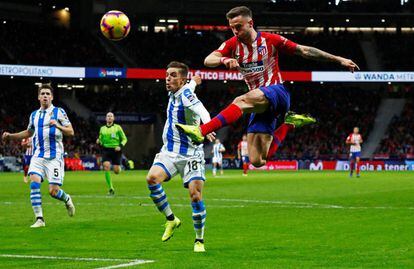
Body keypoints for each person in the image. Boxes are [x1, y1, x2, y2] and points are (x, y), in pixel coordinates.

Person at [176, 6, 359, 168]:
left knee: (240, 100)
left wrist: (339, 59)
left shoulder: (271, 40)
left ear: (250, 23)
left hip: (277, 91)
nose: (235, 31)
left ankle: (201, 131)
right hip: (259, 102)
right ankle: (289, 124)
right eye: (232, 27)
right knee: (257, 160)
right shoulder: (233, 45)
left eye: (238, 26)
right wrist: (225, 59)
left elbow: (305, 51)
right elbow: (208, 60)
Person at [146, 61, 214, 253]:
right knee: (152, 179)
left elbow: (202, 110)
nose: (168, 78)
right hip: (170, 152)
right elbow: (190, 86)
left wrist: (208, 127)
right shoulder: (177, 91)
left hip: (191, 154)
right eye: (167, 74)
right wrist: (195, 81)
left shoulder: (185, 94)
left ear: (181, 79)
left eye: (173, 75)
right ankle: (171, 219)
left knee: (195, 196)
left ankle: (199, 240)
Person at [2, 83, 75, 228]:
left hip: (54, 157)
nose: (45, 96)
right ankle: (39, 219)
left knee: (53, 191)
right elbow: (28, 133)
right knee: (34, 183)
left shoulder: (59, 112)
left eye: (48, 94)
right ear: (38, 97)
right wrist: (11, 136)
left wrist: (58, 126)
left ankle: (67, 199)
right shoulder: (34, 115)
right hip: (38, 156)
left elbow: (71, 132)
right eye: (43, 94)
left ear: (52, 97)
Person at [96, 112, 128, 195]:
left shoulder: (118, 128)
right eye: (108, 116)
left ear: (113, 119)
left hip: (116, 150)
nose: (109, 117)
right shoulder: (102, 128)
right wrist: (99, 141)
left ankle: (119, 168)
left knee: (116, 170)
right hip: (106, 150)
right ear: (106, 118)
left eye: (111, 116)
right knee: (106, 166)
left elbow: (124, 139)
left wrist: (120, 146)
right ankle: (111, 188)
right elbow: (101, 139)